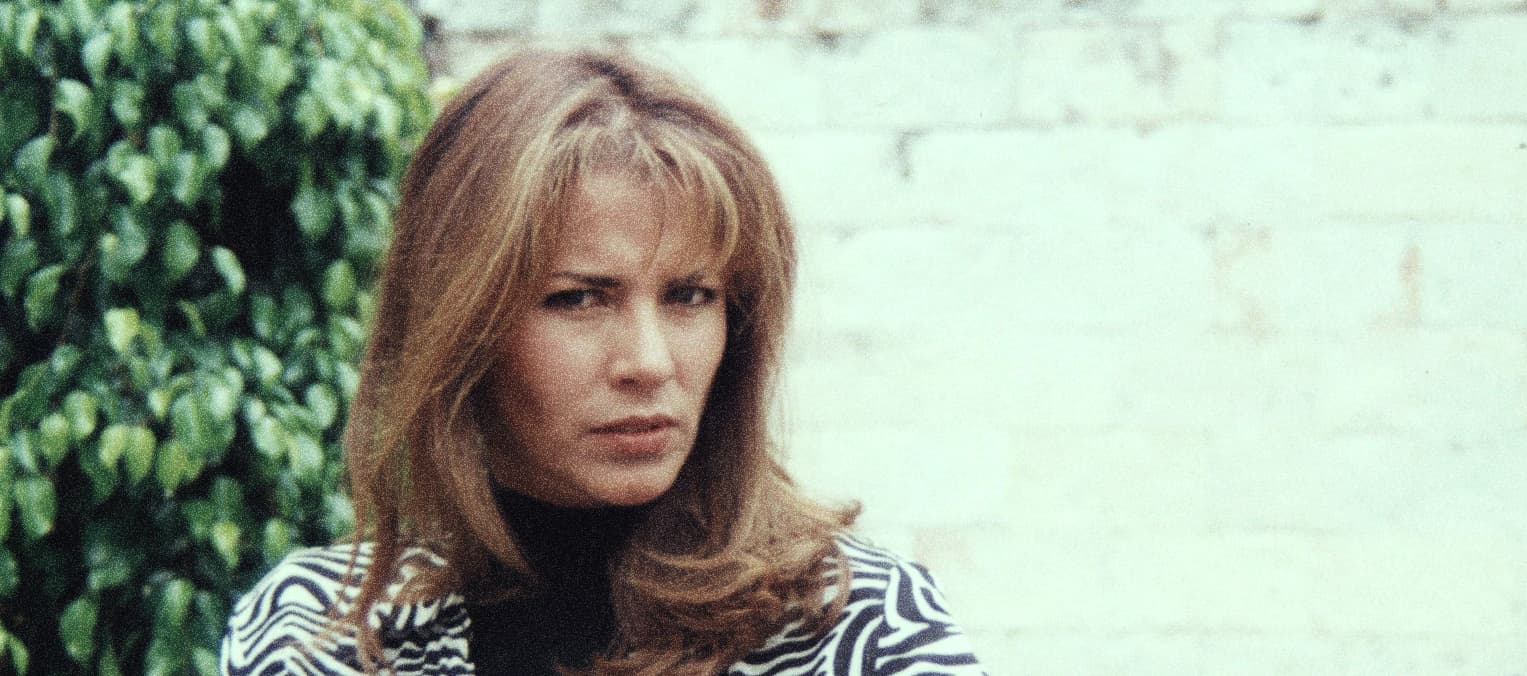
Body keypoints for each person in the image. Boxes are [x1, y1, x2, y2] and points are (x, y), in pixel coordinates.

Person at [219, 49, 984, 675]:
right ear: (462, 322)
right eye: (579, 299)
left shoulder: (852, 626)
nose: (649, 363)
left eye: (690, 295)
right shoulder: (316, 632)